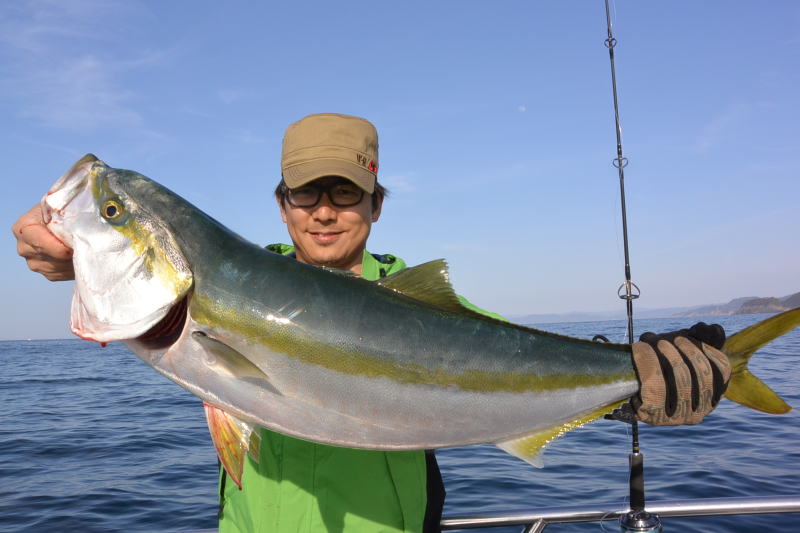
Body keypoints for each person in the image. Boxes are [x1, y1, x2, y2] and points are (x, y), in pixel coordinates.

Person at [12, 113, 731, 532]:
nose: (324, 211)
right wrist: (69, 250)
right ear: (281, 202)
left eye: (345, 193)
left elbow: (520, 358)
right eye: (305, 193)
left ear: (376, 204)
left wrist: (637, 378)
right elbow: (138, 273)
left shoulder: (422, 303)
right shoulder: (230, 277)